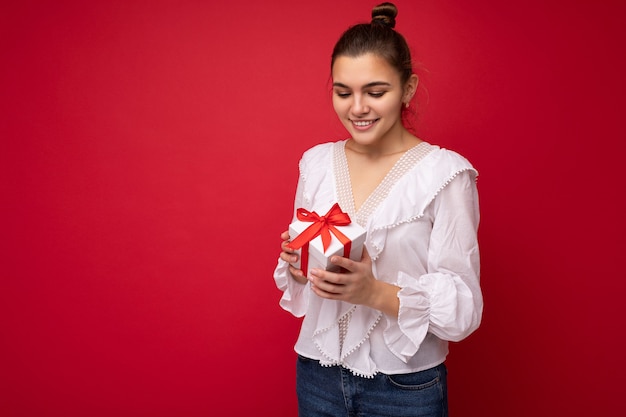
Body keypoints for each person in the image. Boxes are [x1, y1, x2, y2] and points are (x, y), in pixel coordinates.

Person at [273, 3, 482, 416]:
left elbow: (463, 311)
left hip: (405, 386)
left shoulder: (446, 174)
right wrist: (299, 264)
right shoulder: (315, 162)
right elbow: (306, 263)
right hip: (317, 373)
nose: (357, 109)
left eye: (375, 91)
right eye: (343, 91)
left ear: (407, 89)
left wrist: (374, 292)